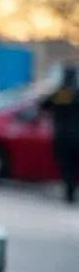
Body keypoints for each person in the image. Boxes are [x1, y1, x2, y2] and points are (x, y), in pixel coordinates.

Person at [42, 65, 79, 203]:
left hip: (62, 137)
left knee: (67, 167)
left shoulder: (58, 94)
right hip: (76, 137)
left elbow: (43, 106)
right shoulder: (77, 93)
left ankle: (69, 194)